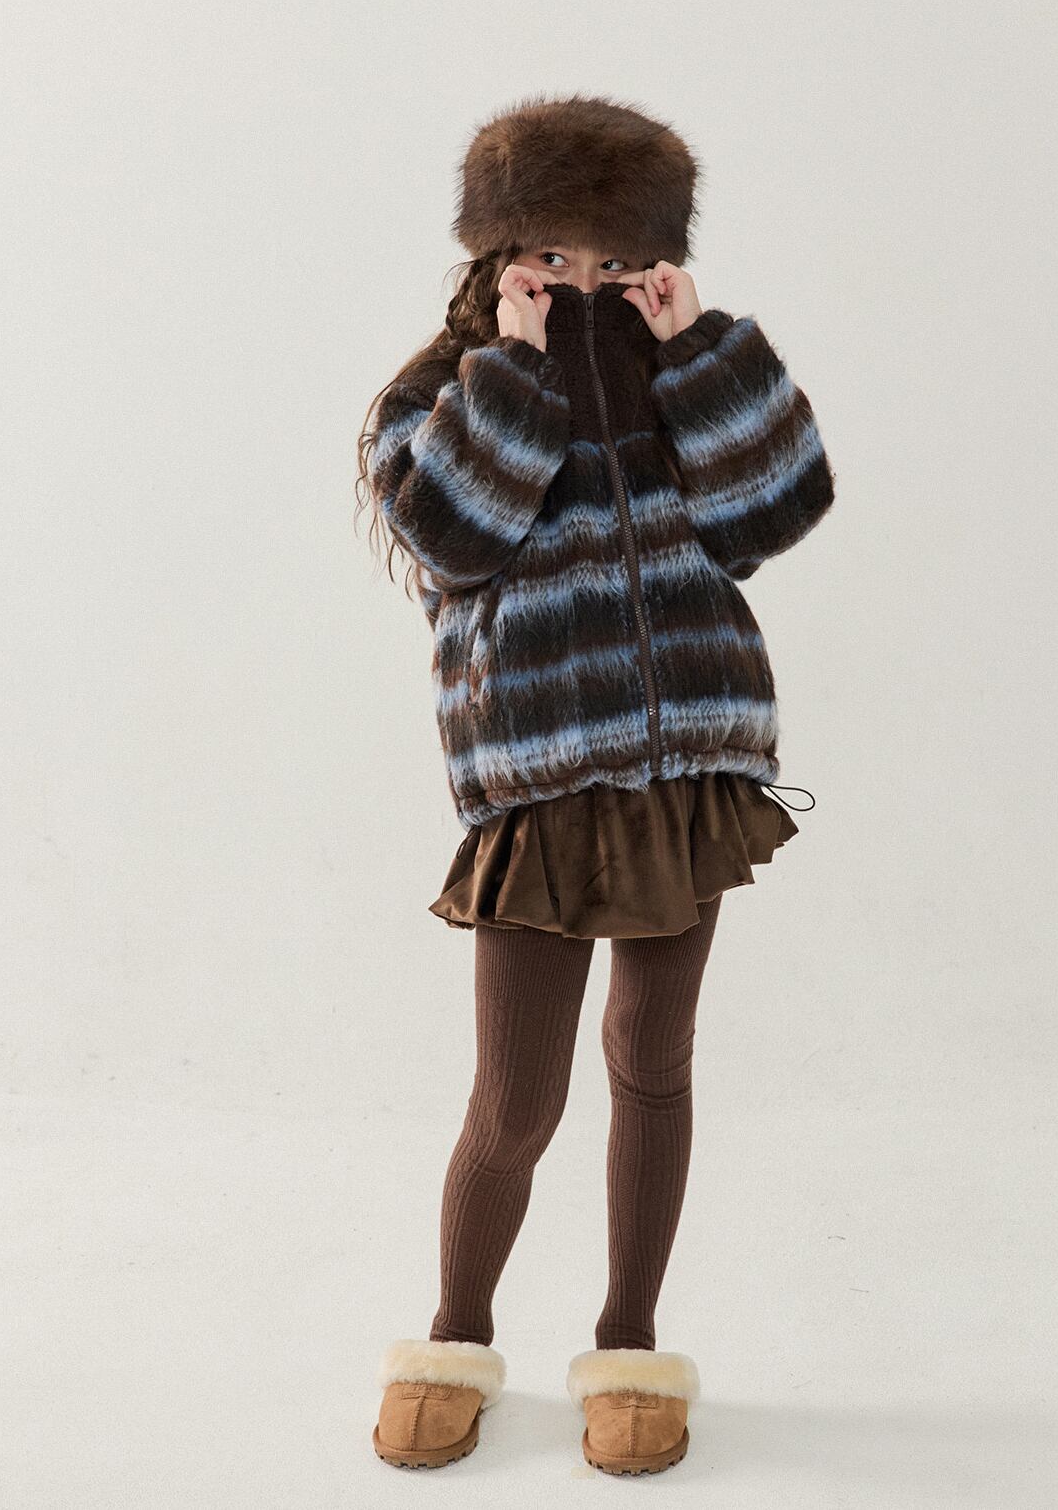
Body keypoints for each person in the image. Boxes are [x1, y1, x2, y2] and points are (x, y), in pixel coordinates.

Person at [354, 93, 836, 1473]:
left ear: (652, 258)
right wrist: (512, 372)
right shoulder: (436, 399)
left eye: (609, 258)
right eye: (550, 255)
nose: (577, 283)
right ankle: (455, 1336)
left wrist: (704, 356)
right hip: (540, 786)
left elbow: (776, 511)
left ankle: (630, 1345)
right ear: (497, 252)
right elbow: (456, 537)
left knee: (652, 1064)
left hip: (687, 770)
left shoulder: (677, 377)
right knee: (517, 1102)